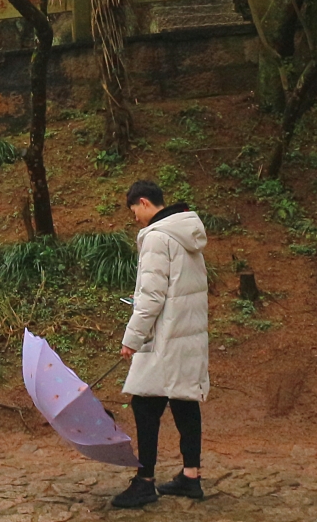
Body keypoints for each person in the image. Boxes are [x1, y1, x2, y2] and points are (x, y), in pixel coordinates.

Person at [113, 178, 210, 508]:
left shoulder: (156, 237)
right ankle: (191, 476)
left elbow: (152, 297)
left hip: (165, 337)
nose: (135, 220)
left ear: (142, 202)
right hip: (188, 333)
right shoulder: (187, 232)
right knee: (184, 401)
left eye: (133, 213)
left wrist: (131, 339)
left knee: (144, 404)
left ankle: (145, 481)